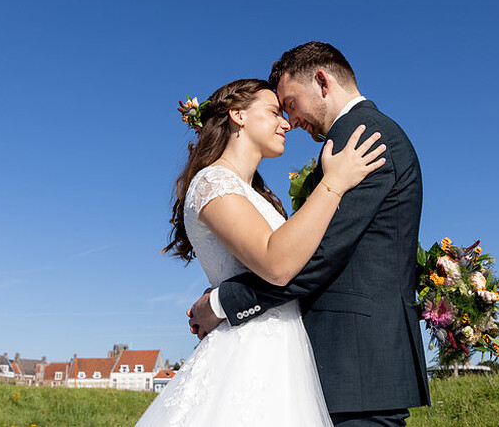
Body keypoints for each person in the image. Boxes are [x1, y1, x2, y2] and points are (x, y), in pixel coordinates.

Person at [189, 42, 431, 426]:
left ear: (322, 81)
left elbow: (319, 257)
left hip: (356, 366)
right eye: (277, 110)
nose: (291, 120)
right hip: (336, 369)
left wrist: (222, 302)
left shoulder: (361, 137)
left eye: (290, 103)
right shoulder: (353, 139)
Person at [136, 78, 385, 426]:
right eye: (273, 112)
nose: (286, 123)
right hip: (248, 351)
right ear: (238, 115)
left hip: (284, 349)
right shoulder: (212, 182)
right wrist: (334, 182)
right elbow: (278, 264)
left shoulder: (254, 193)